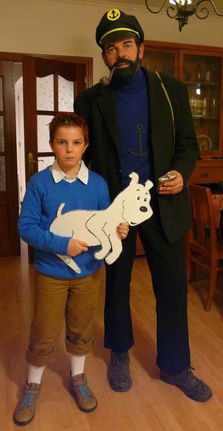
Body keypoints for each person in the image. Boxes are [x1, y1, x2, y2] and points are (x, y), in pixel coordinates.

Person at [74, 9, 212, 402]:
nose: (120, 54)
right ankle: (119, 352)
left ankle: (176, 366)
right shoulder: (90, 100)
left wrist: (182, 174)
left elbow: (188, 146)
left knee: (171, 288)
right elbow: (80, 160)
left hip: (164, 207)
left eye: (127, 45)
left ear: (142, 48)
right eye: (111, 48)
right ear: (103, 55)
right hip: (114, 211)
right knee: (116, 285)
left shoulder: (171, 91)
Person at [13, 112, 129, 426]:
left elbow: (103, 224)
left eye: (76, 143)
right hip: (51, 273)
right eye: (62, 142)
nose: (69, 149)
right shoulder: (39, 183)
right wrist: (64, 244)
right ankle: (33, 383)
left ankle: (78, 378)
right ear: (51, 144)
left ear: (85, 145)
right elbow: (26, 228)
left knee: (81, 327)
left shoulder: (98, 185)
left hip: (88, 274)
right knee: (45, 330)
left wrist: (117, 231)